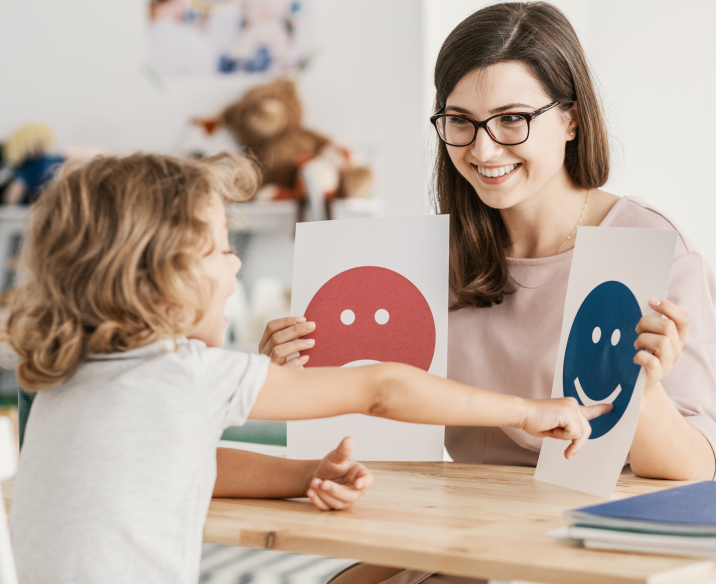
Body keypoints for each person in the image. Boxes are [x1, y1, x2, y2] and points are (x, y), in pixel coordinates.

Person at [262, 2, 716, 582]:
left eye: (511, 119)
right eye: (460, 121)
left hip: (593, 540)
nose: (482, 150)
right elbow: (375, 420)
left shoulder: (647, 243)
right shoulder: (429, 260)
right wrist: (289, 374)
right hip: (466, 529)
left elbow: (693, 472)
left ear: (572, 119)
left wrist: (642, 390)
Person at [6, 152, 607, 584]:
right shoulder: (184, 374)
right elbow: (382, 386)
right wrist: (529, 410)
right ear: (159, 280)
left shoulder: (66, 379)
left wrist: (303, 476)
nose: (236, 267)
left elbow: (186, 462)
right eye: (220, 249)